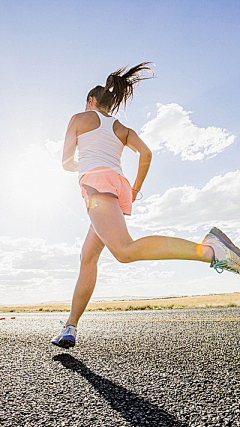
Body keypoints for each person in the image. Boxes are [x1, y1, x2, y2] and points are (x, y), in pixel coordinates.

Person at [52, 62, 240, 349]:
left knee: (124, 251)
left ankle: (212, 250)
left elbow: (66, 162)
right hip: (116, 185)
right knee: (88, 257)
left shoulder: (79, 117)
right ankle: (70, 327)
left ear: (91, 101)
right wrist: (136, 188)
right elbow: (146, 153)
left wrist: (84, 164)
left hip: (96, 186)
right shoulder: (121, 128)